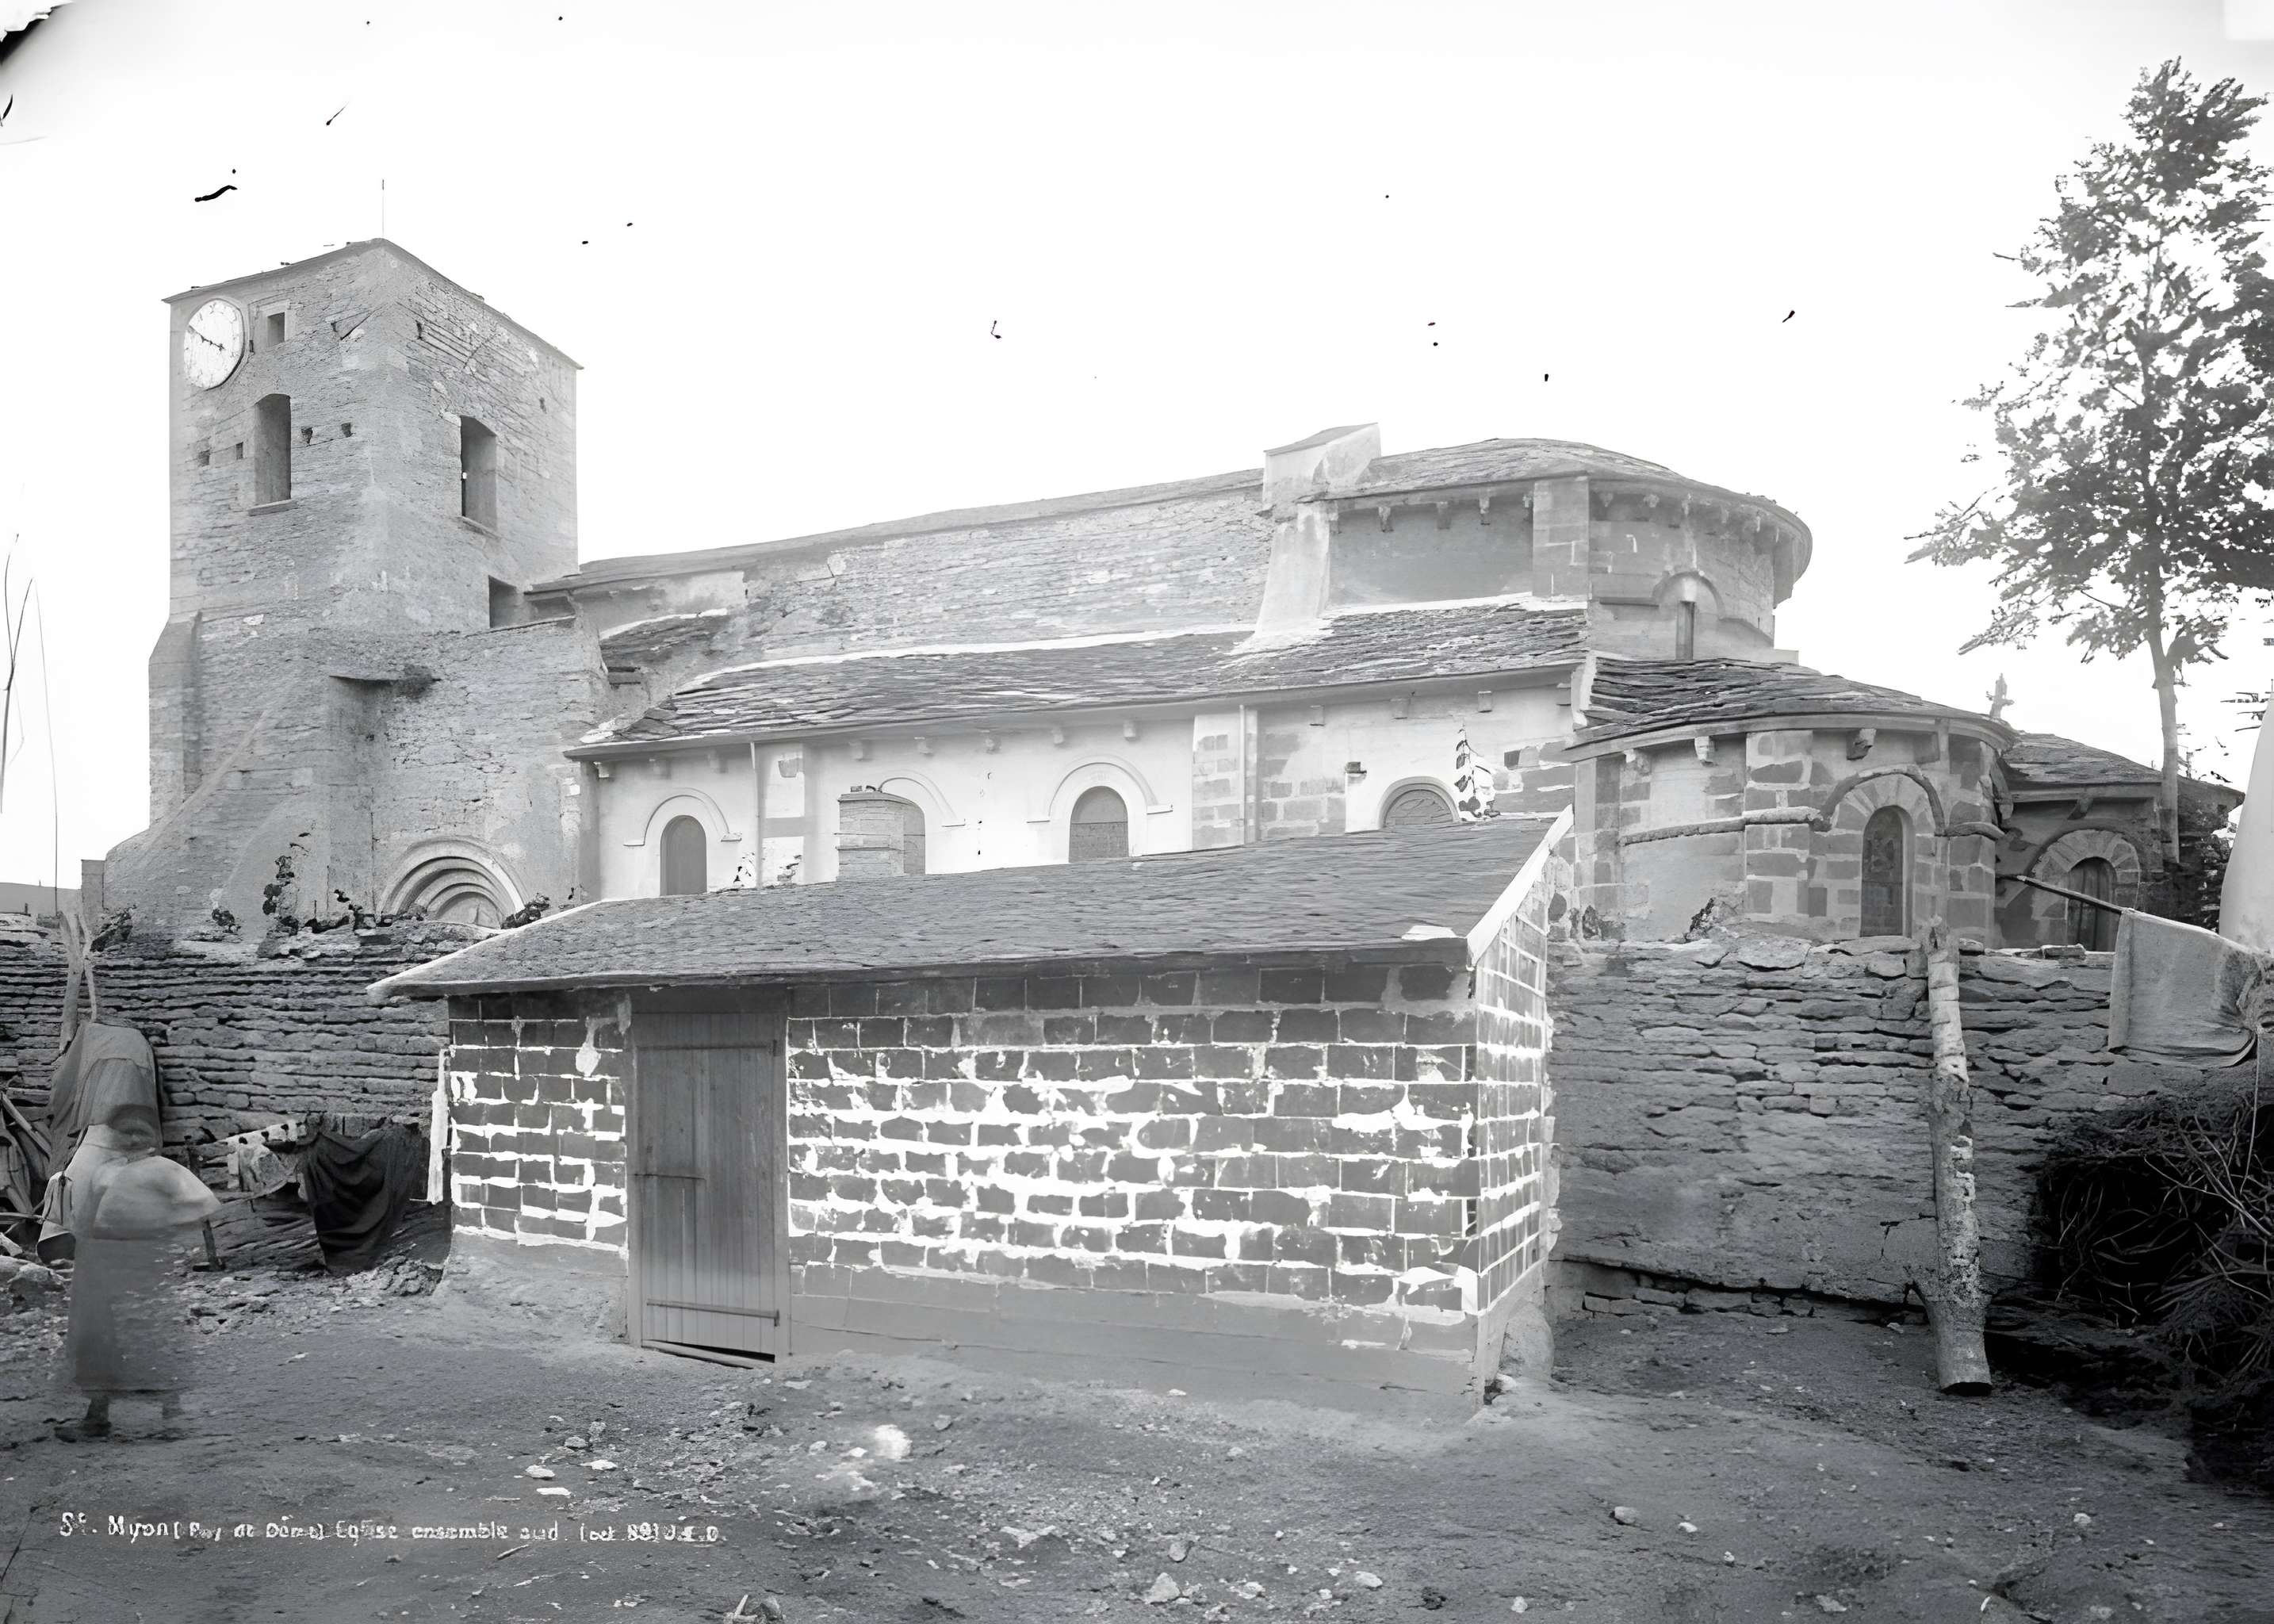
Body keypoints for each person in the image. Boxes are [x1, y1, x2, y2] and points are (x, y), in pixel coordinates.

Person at [53, 1105, 220, 1442]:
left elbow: (205, 1203)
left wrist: (161, 1225)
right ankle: (96, 1417)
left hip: (143, 1265)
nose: (131, 1138)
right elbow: (86, 1215)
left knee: (150, 1335)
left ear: (152, 1139)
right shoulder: (105, 1170)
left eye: (139, 1132)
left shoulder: (163, 1169)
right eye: (125, 1132)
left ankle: (172, 1417)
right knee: (100, 1339)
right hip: (101, 1265)